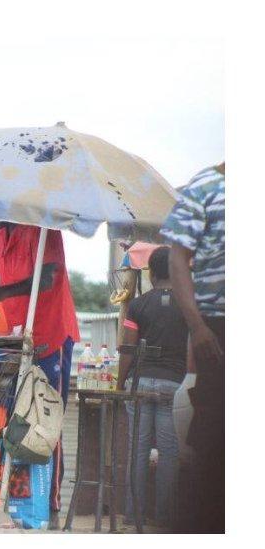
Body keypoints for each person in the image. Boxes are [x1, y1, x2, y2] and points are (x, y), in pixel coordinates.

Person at [0, 222, 79, 528]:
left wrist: (0, 291)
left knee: (45, 419)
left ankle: (51, 502)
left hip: (51, 333)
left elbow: (47, 279)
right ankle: (18, 499)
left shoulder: (43, 228)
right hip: (20, 336)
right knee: (16, 422)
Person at [159, 163, 225, 533]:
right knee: (213, 439)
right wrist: (198, 325)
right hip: (217, 326)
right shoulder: (206, 185)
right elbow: (178, 255)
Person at [117, 246, 188, 528]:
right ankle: (164, 517)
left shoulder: (138, 304)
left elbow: (128, 348)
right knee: (169, 452)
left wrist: (120, 383)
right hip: (174, 383)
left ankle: (133, 515)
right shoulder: (189, 304)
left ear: (151, 272)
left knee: (139, 449)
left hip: (142, 381)